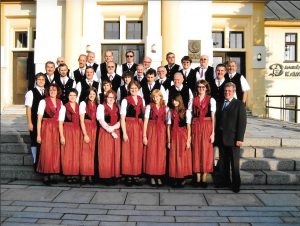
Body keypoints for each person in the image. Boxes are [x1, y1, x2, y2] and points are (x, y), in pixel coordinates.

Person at [215, 82, 247, 193]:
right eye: (225, 91)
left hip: (233, 139)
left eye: (229, 91)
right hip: (221, 138)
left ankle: (236, 184)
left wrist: (240, 138)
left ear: (233, 92)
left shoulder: (239, 104)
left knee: (234, 163)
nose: (227, 92)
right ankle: (225, 181)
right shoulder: (220, 103)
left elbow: (242, 123)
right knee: (223, 162)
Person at [36, 83, 63, 185]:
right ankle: (45, 176)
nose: (52, 92)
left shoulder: (60, 102)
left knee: (55, 151)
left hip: (56, 128)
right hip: (46, 128)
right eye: (50, 90)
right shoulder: (43, 102)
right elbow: (39, 119)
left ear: (57, 92)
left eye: (54, 90)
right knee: (46, 150)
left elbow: (61, 120)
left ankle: (52, 174)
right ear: (48, 91)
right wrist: (38, 135)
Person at [191, 80, 216, 188]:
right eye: (199, 87)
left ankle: (204, 178)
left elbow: (213, 116)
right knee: (196, 150)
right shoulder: (193, 100)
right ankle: (197, 177)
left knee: (206, 151)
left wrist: (213, 132)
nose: (201, 89)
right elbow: (190, 115)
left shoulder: (211, 100)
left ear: (206, 88)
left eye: (203, 87)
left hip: (207, 125)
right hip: (196, 125)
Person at [120, 80, 145, 186]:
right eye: (131, 89)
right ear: (128, 89)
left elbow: (143, 116)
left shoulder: (141, 99)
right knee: (128, 151)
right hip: (129, 126)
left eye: (135, 88)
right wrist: (124, 133)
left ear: (138, 89)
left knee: (137, 151)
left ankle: (136, 175)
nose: (134, 90)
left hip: (139, 127)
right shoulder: (125, 100)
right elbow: (122, 118)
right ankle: (128, 176)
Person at [143, 89, 168, 186]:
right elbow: (145, 121)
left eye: (157, 96)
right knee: (152, 153)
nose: (156, 98)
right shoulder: (149, 107)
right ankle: (152, 176)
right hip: (152, 130)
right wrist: (144, 135)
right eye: (154, 96)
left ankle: (159, 176)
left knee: (160, 153)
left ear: (161, 97)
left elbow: (167, 122)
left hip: (161, 131)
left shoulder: (165, 108)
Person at [167, 94, 192, 188]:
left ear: (180, 101)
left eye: (176, 100)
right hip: (173, 135)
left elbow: (189, 127)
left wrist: (188, 140)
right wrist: (168, 141)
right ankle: (174, 177)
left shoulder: (186, 112)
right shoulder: (170, 112)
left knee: (182, 156)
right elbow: (168, 127)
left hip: (183, 136)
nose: (174, 102)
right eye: (173, 100)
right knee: (173, 156)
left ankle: (182, 178)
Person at [97, 90, 121, 185]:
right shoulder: (101, 107)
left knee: (115, 154)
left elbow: (120, 121)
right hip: (105, 132)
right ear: (106, 98)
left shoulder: (117, 107)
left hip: (115, 131)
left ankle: (114, 175)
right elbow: (101, 120)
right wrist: (111, 131)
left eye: (113, 97)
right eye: (109, 97)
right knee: (106, 155)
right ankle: (106, 177)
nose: (111, 99)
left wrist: (114, 128)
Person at [58, 88, 81, 184]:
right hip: (67, 130)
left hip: (77, 131)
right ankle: (68, 174)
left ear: (77, 96)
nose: (72, 97)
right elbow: (60, 123)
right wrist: (62, 136)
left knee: (76, 152)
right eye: (70, 95)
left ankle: (74, 173)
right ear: (68, 96)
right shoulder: (64, 107)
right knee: (67, 152)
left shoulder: (79, 106)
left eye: (74, 95)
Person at [25, 73, 46, 169]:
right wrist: (29, 122)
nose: (41, 81)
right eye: (39, 79)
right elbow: (28, 108)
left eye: (42, 79)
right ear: (36, 80)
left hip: (44, 121)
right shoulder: (30, 92)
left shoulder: (47, 91)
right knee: (34, 140)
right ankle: (35, 160)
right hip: (34, 119)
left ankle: (42, 160)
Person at [79, 87, 98, 184]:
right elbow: (81, 120)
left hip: (94, 128)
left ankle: (90, 174)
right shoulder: (83, 104)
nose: (92, 96)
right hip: (86, 128)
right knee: (85, 152)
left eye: (94, 94)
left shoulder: (97, 104)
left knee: (91, 152)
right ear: (87, 95)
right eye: (90, 94)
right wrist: (85, 134)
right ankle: (83, 174)